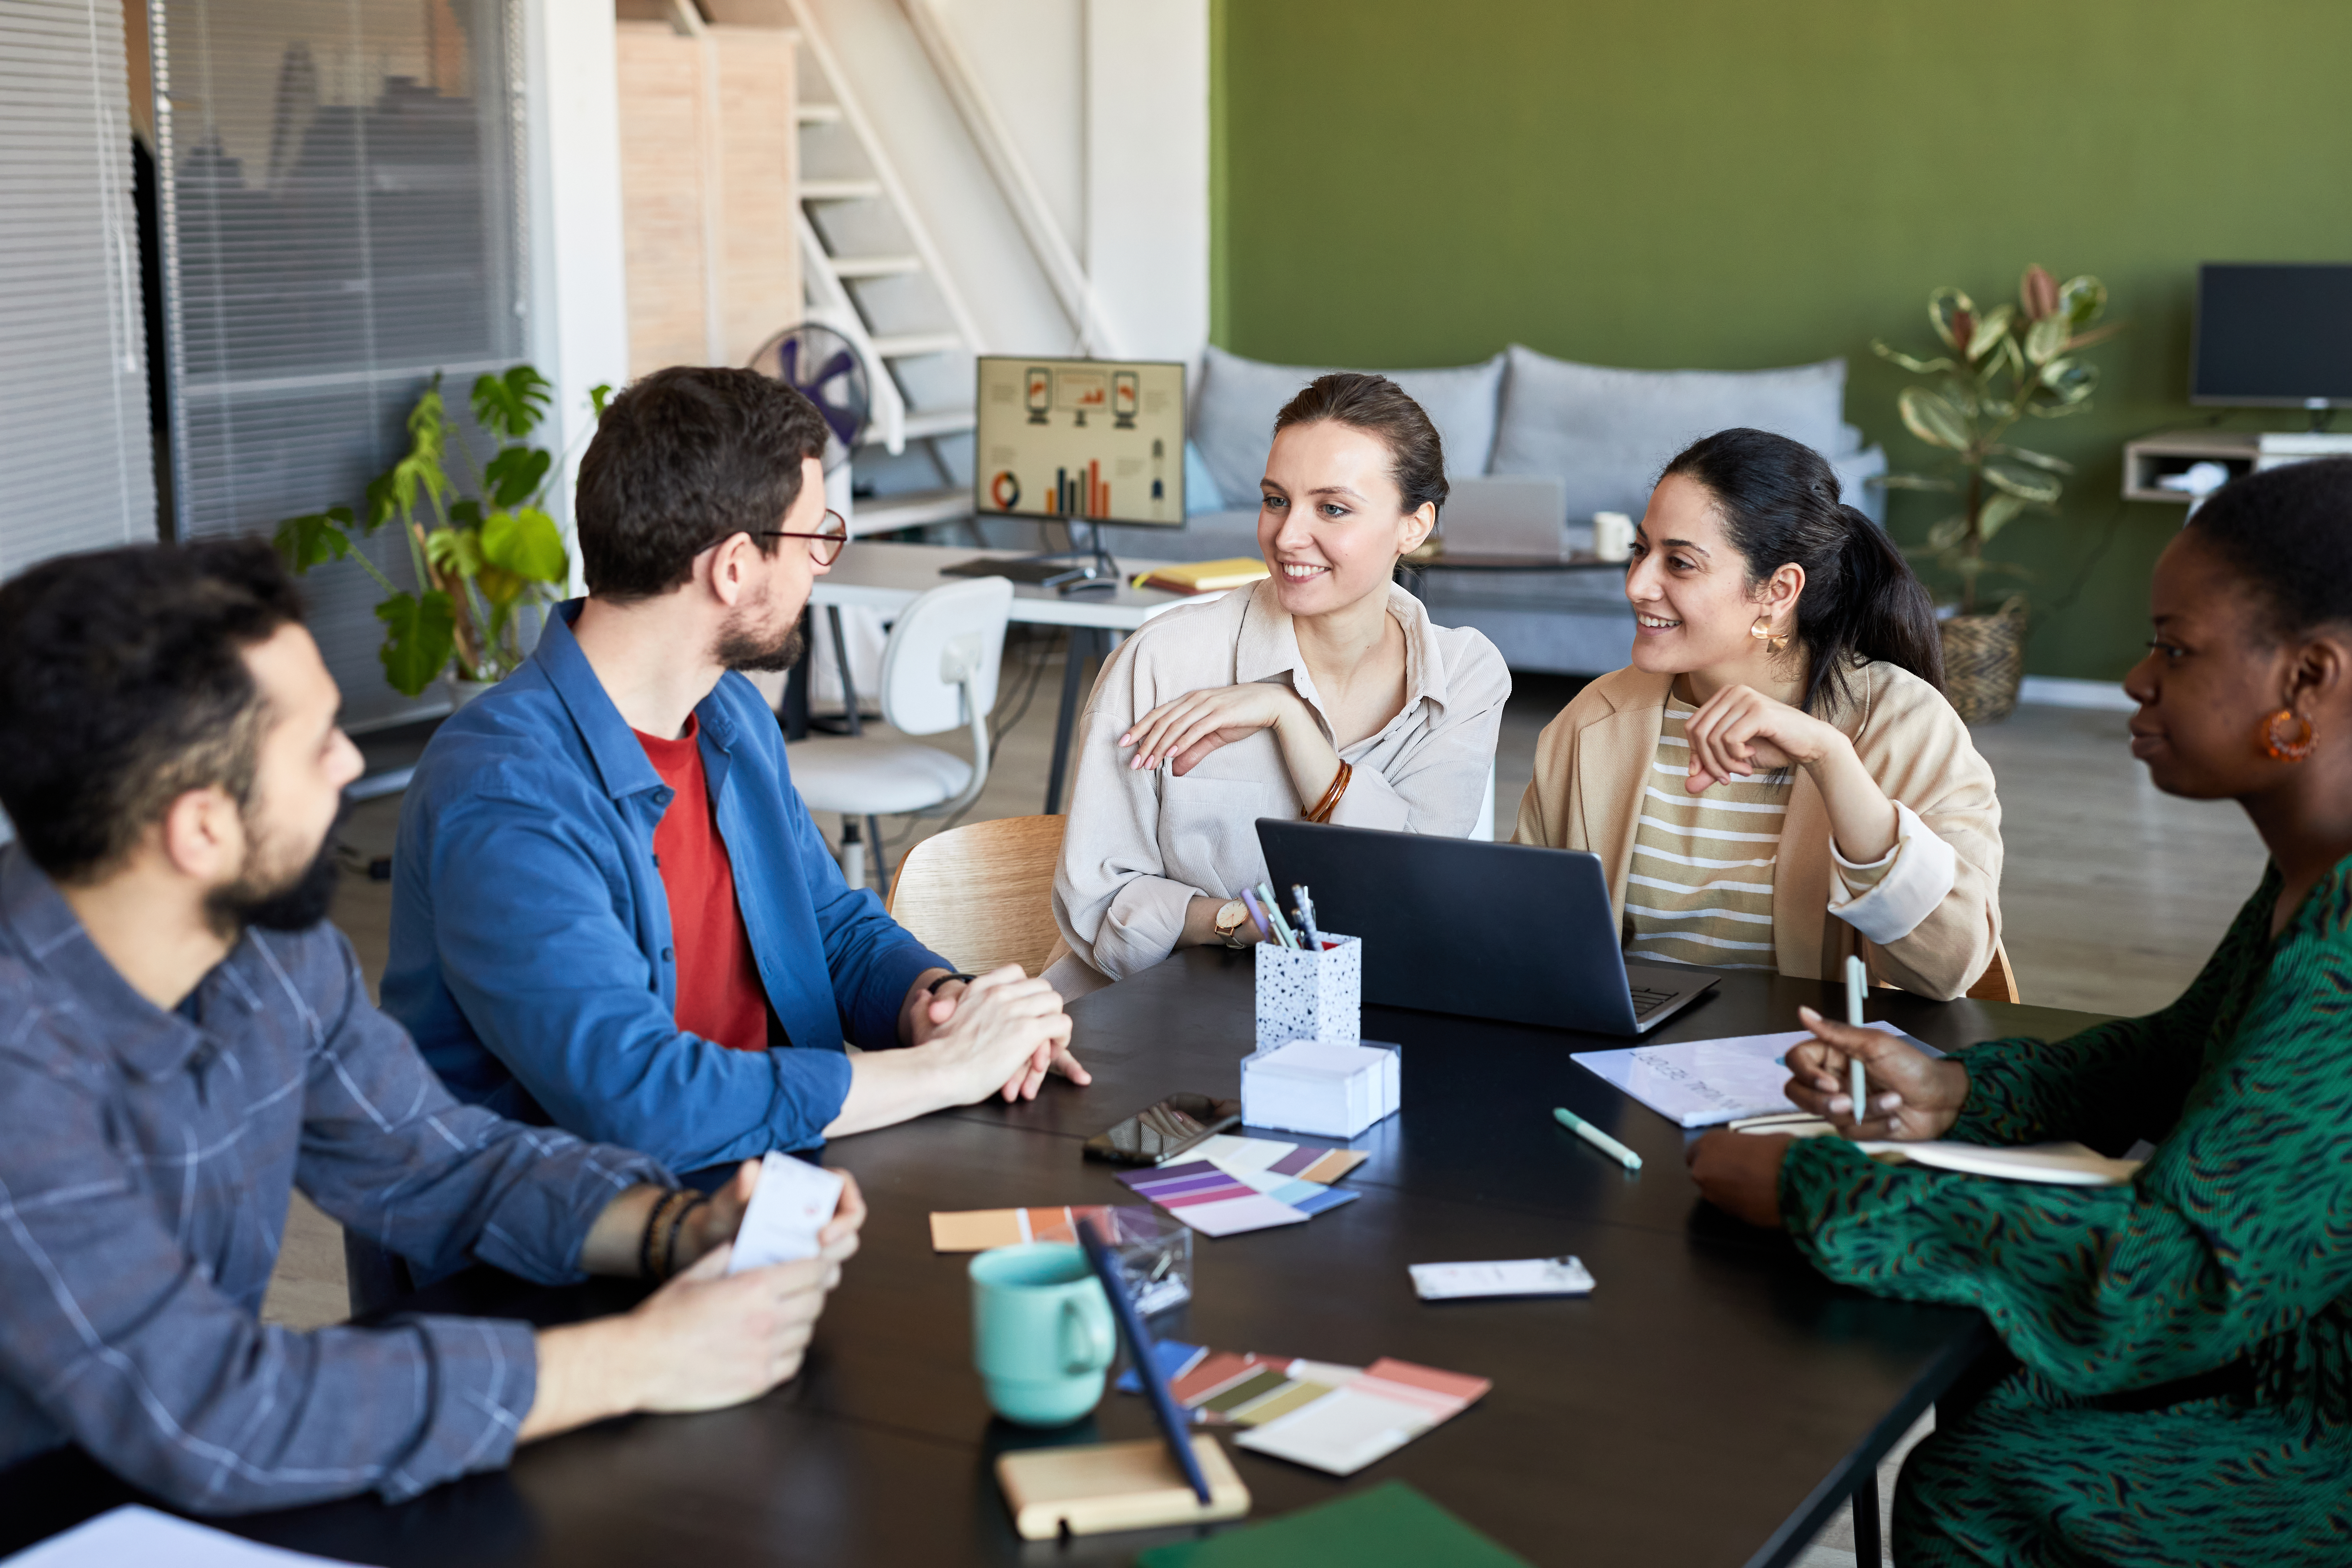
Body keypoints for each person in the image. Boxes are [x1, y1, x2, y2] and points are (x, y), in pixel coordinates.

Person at [0, 541, 864, 1514]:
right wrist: (635, 1361)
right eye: (317, 741)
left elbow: (433, 1159)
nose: (350, 764)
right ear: (199, 829)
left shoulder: (269, 951)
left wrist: (676, 1228)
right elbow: (216, 1408)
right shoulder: (19, 1068)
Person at [1687, 457, 2352, 1564]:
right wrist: (1955, 1089)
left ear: (2311, 680)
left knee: (1989, 1480)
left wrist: (1813, 1187)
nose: (2137, 678)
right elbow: (2176, 1057)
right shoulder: (2311, 878)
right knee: (1997, 1364)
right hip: (2276, 1344)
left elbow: (2165, 1280)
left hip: (2316, 1422)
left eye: (2175, 649)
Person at [385, 367, 1084, 1186]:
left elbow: (827, 927)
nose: (824, 562)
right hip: (596, 1254)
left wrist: (937, 1003)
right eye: (814, 534)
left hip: (768, 1182)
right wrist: (947, 1072)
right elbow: (639, 1098)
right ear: (734, 566)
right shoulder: (505, 789)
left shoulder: (729, 717)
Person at [1049, 372, 1510, 993]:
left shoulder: (1465, 677)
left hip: (1367, 1011)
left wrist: (1286, 717)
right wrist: (1243, 922)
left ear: (1415, 526)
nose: (1288, 536)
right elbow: (1100, 901)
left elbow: (1407, 897)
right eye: (1275, 500)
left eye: (1333, 508)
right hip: (1149, 1012)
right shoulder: (1163, 661)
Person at [1513, 427, 2002, 998]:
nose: (1638, 585)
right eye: (1641, 551)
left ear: (1777, 590)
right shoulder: (1594, 720)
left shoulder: (1906, 724)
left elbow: (1950, 970)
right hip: (1622, 1059)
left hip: (1809, 1070)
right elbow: (1527, 934)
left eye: (1681, 564)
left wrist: (1829, 759)